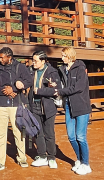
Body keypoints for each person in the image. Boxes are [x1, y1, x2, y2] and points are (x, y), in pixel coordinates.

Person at [51, 46, 92, 175]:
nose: (61, 58)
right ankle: (79, 160)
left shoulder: (80, 69)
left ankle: (86, 164)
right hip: (69, 106)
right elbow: (62, 85)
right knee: (71, 136)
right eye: (62, 55)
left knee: (80, 137)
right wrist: (55, 86)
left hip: (82, 106)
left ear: (70, 56)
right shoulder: (63, 70)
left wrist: (60, 91)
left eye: (64, 56)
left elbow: (78, 88)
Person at [0, 47, 32, 173]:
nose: (0, 59)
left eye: (2, 57)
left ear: (9, 57)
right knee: (0, 134)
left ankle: (22, 158)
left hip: (16, 105)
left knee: (18, 132)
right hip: (1, 104)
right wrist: (5, 91)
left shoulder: (20, 67)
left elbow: (29, 81)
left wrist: (14, 89)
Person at [28, 51, 59, 169]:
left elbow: (56, 90)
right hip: (34, 106)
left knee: (49, 133)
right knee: (38, 132)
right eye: (33, 60)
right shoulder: (31, 71)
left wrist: (40, 91)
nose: (33, 63)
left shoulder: (52, 72)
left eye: (35, 61)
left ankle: (51, 157)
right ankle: (42, 156)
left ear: (43, 61)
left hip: (48, 107)